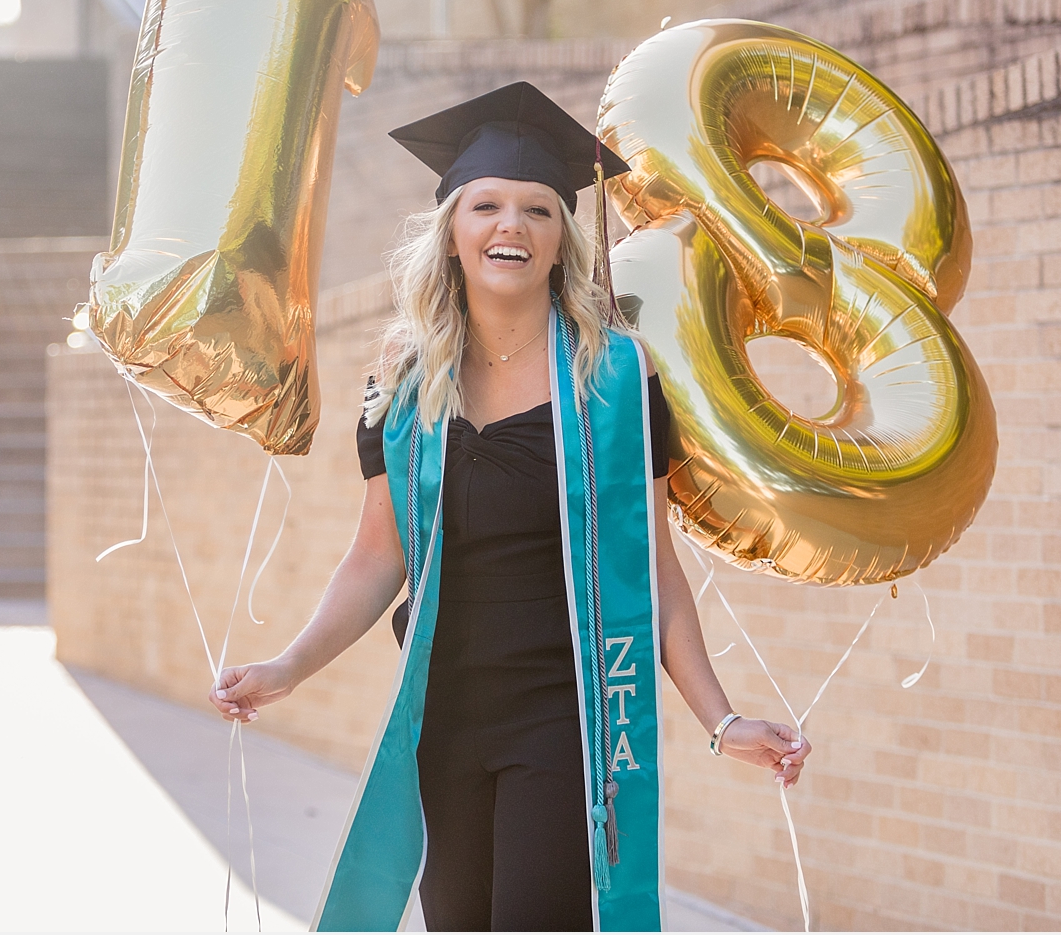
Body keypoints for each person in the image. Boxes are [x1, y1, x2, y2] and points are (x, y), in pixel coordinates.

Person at [210, 82, 811, 932]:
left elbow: (655, 573)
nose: (511, 226)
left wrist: (722, 718)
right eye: (486, 204)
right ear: (451, 231)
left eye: (538, 209)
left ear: (562, 238)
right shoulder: (404, 380)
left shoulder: (613, 379)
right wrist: (286, 668)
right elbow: (379, 554)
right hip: (443, 718)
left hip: (565, 718)